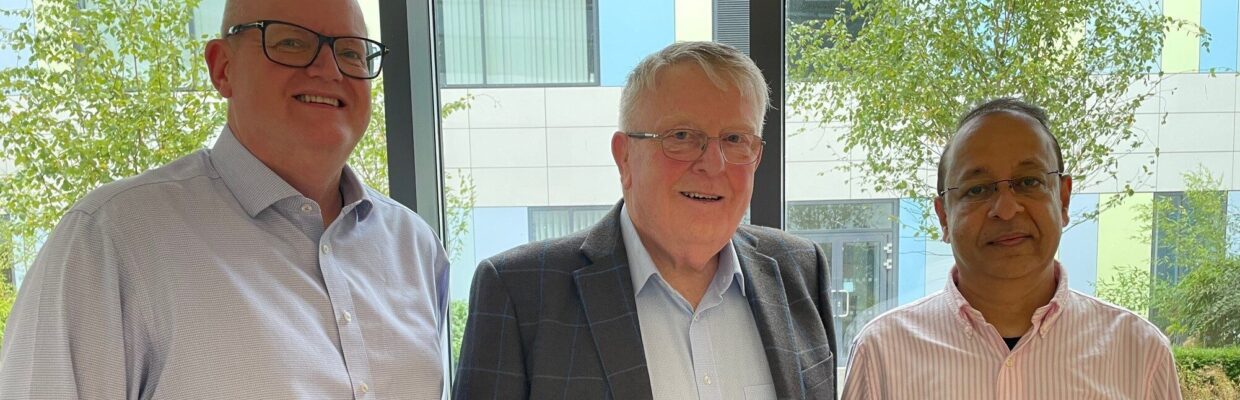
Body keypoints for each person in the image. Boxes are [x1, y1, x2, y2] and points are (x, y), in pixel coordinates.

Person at [0, 0, 450, 398]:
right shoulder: (110, 239)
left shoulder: (414, 247)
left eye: (351, 51)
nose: (329, 69)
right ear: (222, 67)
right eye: (291, 43)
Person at [453, 41, 837, 400]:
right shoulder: (521, 294)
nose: (713, 164)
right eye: (683, 135)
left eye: (736, 139)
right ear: (625, 158)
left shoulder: (799, 271)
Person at [841, 98, 1181, 399]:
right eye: (977, 190)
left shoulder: (1140, 353)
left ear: (1063, 199)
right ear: (944, 216)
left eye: (1028, 182)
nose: (1005, 208)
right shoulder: (881, 354)